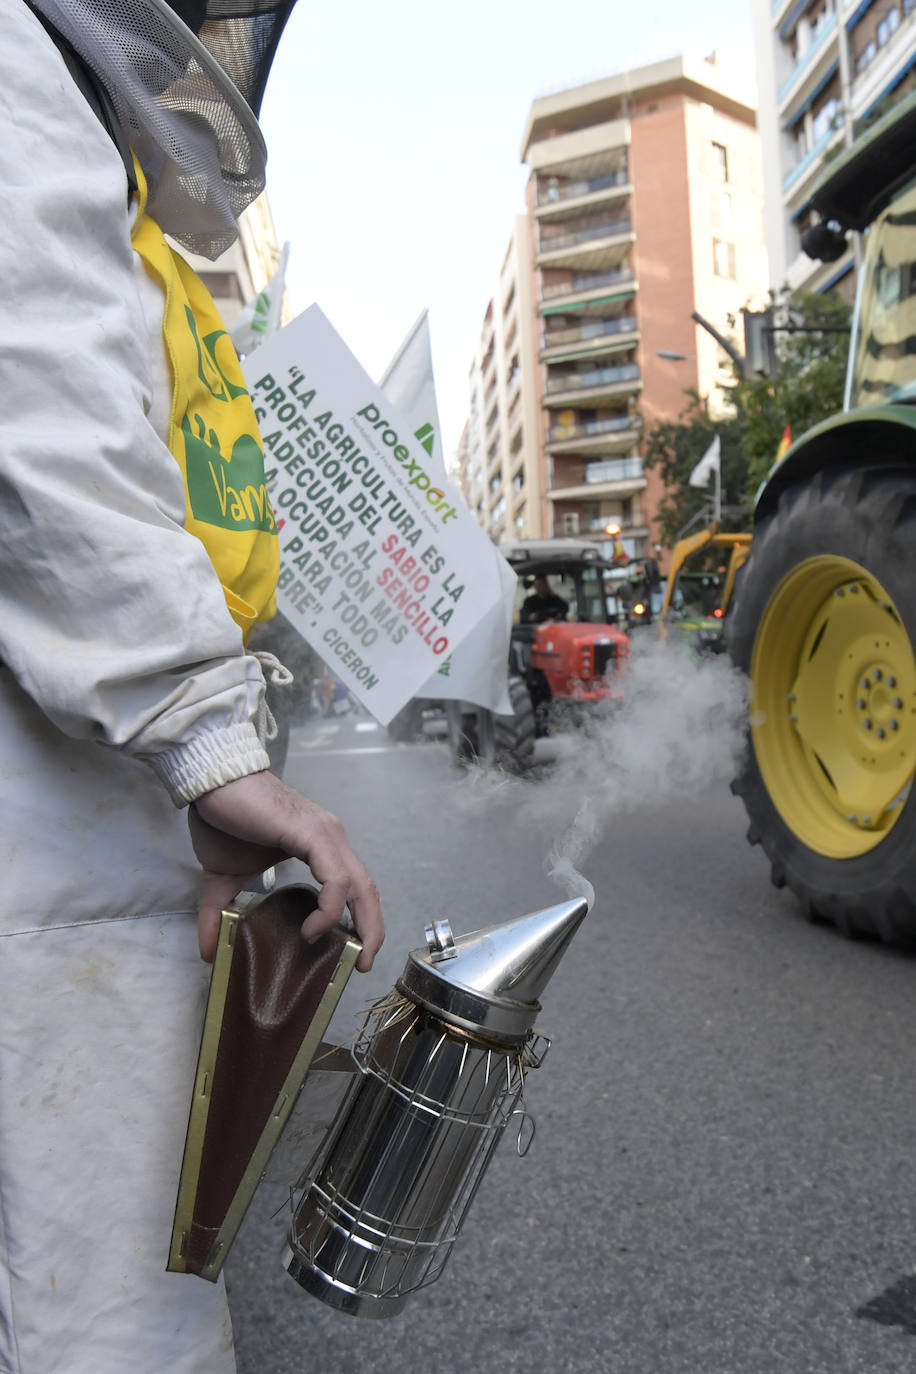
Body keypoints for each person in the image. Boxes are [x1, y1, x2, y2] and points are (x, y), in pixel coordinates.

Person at [0, 1, 384, 1370]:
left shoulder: (134, 181)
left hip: (101, 798)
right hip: (53, 825)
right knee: (107, 1304)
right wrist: (211, 739)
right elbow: (44, 399)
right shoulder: (17, 67)